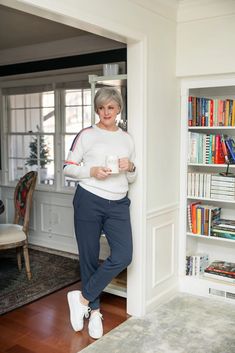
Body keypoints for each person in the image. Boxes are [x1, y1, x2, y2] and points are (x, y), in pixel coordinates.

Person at [63, 86, 136, 339]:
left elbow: (133, 175)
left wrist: (132, 166)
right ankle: (94, 312)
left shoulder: (127, 138)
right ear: (97, 109)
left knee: (124, 255)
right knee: (90, 258)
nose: (106, 112)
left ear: (118, 110)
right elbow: (68, 168)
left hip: (118, 203)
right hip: (89, 200)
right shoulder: (86, 135)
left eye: (111, 107)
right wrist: (91, 171)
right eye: (102, 107)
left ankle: (81, 298)